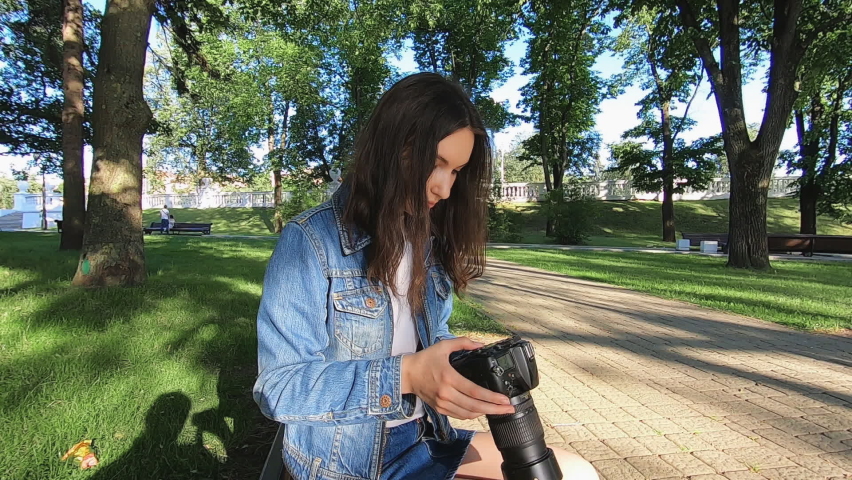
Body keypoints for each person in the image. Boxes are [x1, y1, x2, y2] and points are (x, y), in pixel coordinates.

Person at [253, 73, 598, 480]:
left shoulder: (428, 243)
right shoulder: (311, 241)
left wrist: (464, 366)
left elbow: (428, 341)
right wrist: (409, 374)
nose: (446, 188)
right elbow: (278, 387)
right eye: (436, 164)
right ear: (392, 146)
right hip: (345, 461)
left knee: (575, 472)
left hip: (425, 438)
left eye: (456, 171)